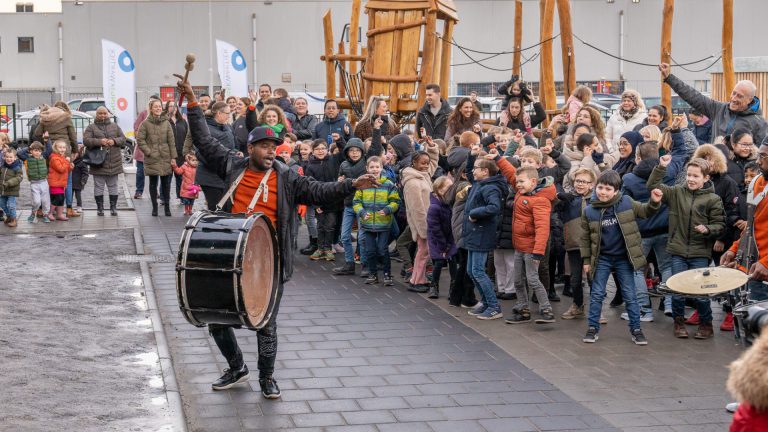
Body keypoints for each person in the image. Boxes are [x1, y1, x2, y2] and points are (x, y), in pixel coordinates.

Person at [176, 79, 379, 398]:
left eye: (274, 147)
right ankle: (236, 366)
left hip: (270, 259)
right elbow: (203, 140)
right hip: (231, 252)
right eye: (264, 147)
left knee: (264, 322)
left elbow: (318, 192)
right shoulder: (232, 164)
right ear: (250, 148)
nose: (271, 151)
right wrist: (191, 105)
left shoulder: (286, 176)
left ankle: (266, 378)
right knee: (217, 317)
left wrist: (350, 185)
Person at [581, 170, 663, 345]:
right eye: (600, 188)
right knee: (596, 294)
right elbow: (585, 238)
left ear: (616, 191)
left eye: (608, 189)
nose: (603, 192)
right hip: (601, 258)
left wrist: (654, 202)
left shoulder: (626, 202)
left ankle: (636, 329)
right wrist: (587, 261)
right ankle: (592, 327)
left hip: (624, 259)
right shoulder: (589, 210)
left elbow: (645, 211)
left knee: (629, 295)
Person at [648, 156, 726, 339]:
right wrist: (660, 167)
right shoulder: (676, 193)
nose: (690, 179)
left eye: (696, 176)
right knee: (677, 289)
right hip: (678, 250)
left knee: (700, 290)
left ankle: (706, 325)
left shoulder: (713, 199)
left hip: (700, 251)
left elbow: (720, 225)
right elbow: (653, 185)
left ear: (706, 178)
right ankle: (678, 322)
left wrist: (707, 229)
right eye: (688, 175)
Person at [496, 165, 555, 324]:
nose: (518, 185)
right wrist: (497, 158)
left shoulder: (540, 201)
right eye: (517, 182)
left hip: (531, 249)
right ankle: (523, 308)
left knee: (532, 279)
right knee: (517, 281)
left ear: (533, 181)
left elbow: (543, 229)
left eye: (521, 182)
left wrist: (538, 252)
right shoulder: (522, 191)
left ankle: (546, 308)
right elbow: (511, 173)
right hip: (519, 247)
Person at [660, 63, 768, 144]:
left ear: (749, 99)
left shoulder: (759, 123)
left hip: (740, 171)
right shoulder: (719, 109)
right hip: (715, 165)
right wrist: (669, 78)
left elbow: (761, 151)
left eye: (739, 96)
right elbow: (693, 96)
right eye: (734, 93)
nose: (734, 98)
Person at [333, 130, 384, 275]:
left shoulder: (366, 162)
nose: (354, 153)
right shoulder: (343, 165)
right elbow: (339, 182)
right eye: (351, 151)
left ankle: (365, 264)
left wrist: (376, 129)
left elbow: (375, 147)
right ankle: (349, 264)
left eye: (357, 150)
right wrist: (339, 182)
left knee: (362, 237)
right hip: (348, 204)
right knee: (344, 236)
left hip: (363, 205)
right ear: (347, 152)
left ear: (362, 151)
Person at [352, 156, 400, 286]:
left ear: (381, 168)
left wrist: (388, 210)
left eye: (377, 167)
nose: (374, 169)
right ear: (367, 168)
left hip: (383, 223)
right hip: (367, 223)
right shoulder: (362, 184)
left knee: (382, 249)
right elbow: (356, 202)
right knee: (370, 250)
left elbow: (395, 201)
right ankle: (372, 274)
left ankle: (387, 274)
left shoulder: (388, 184)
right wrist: (362, 212)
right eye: (371, 167)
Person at [557, 168, 595, 319]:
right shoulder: (569, 199)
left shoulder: (596, 200)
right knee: (575, 279)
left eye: (584, 182)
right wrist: (559, 198)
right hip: (573, 244)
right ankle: (577, 305)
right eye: (578, 181)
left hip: (592, 247)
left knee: (593, 278)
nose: (580, 184)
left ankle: (596, 309)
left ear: (591, 185)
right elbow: (554, 207)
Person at [401, 141, 440, 292]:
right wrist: (424, 230)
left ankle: (417, 279)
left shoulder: (423, 175)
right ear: (414, 163)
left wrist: (431, 148)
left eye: (427, 163)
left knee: (424, 253)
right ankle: (417, 281)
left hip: (428, 222)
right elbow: (416, 209)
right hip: (423, 224)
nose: (426, 166)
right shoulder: (413, 183)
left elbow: (433, 163)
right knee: (423, 253)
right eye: (422, 163)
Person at [184, 101, 236, 211]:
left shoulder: (227, 127)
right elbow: (200, 152)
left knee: (226, 207)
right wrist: (220, 163)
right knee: (216, 207)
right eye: (227, 113)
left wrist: (236, 153)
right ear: (218, 113)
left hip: (225, 174)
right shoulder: (206, 129)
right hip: (210, 176)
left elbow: (232, 145)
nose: (229, 116)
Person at [304, 139, 345, 261]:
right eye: (317, 149)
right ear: (313, 151)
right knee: (320, 225)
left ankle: (328, 248)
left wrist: (339, 140)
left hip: (333, 200)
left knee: (330, 225)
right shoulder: (310, 166)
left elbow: (344, 152)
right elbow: (309, 187)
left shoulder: (334, 160)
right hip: (319, 202)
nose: (320, 151)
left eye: (323, 148)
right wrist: (316, 204)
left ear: (327, 149)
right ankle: (320, 248)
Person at [84, 106, 127, 216]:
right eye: (100, 113)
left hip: (114, 162)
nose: (102, 115)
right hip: (98, 162)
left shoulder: (115, 126)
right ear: (96, 114)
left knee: (113, 186)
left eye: (104, 113)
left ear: (108, 114)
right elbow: (86, 140)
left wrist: (114, 141)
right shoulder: (91, 127)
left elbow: (123, 139)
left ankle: (113, 208)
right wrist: (99, 142)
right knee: (99, 186)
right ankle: (100, 208)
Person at [137, 98, 177, 217]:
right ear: (151, 108)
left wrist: (173, 156)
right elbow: (140, 139)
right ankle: (154, 207)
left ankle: (167, 207)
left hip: (165, 157)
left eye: (160, 106)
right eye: (156, 106)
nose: (158, 108)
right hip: (152, 157)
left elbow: (171, 141)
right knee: (153, 183)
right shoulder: (145, 123)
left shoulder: (166, 122)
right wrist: (148, 152)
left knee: (166, 184)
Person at [426, 176, 457, 299]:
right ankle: (434, 286)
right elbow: (435, 228)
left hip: (450, 236)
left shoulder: (450, 203)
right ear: (439, 189)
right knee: (438, 261)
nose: (451, 190)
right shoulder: (434, 207)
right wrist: (443, 246)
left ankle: (454, 289)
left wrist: (449, 243)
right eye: (448, 187)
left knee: (453, 261)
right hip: (437, 239)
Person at [17, 141, 52, 223]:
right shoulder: (27, 158)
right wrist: (29, 147)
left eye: (39, 151)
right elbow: (19, 153)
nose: (38, 153)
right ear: (31, 151)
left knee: (45, 201)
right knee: (36, 201)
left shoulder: (43, 156)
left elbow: (49, 149)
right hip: (34, 183)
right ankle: (33, 212)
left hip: (44, 182)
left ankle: (45, 215)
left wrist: (47, 140)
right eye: (35, 150)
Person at [165, 101, 189, 200]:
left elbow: (188, 137)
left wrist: (188, 151)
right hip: (168, 154)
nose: (173, 108)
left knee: (181, 178)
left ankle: (181, 196)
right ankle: (164, 197)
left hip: (181, 154)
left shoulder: (183, 121)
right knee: (167, 178)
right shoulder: (164, 121)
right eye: (170, 106)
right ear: (166, 108)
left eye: (174, 106)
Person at [48, 141, 73, 221]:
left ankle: (59, 214)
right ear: (55, 148)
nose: (62, 149)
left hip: (61, 183)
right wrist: (67, 162)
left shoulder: (62, 157)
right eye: (60, 147)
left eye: (64, 147)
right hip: (55, 183)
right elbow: (61, 169)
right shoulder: (54, 158)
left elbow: (66, 170)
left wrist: (70, 167)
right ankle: (50, 213)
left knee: (61, 199)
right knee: (56, 199)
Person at [0, 148, 23, 227]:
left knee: (11, 205)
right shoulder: (3, 166)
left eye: (10, 157)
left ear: (15, 158)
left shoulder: (17, 168)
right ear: (4, 157)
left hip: (12, 190)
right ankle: (9, 216)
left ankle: (14, 219)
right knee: (1, 203)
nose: (8, 159)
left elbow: (19, 178)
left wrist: (9, 183)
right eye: (7, 157)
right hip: (3, 190)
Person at [71, 145, 89, 213]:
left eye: (75, 154)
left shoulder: (82, 162)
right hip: (70, 182)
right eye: (73, 154)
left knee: (78, 195)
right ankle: (69, 206)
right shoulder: (69, 162)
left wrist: (83, 181)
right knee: (69, 195)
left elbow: (85, 173)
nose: (74, 156)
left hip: (78, 182)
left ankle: (79, 206)